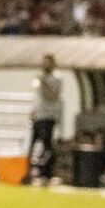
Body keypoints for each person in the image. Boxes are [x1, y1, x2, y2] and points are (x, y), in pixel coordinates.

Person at [25, 54, 63, 185]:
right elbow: (38, 98)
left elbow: (52, 96)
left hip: (49, 116)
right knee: (31, 145)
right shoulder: (39, 78)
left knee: (47, 146)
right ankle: (28, 172)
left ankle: (46, 173)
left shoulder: (56, 78)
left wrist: (44, 82)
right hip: (38, 116)